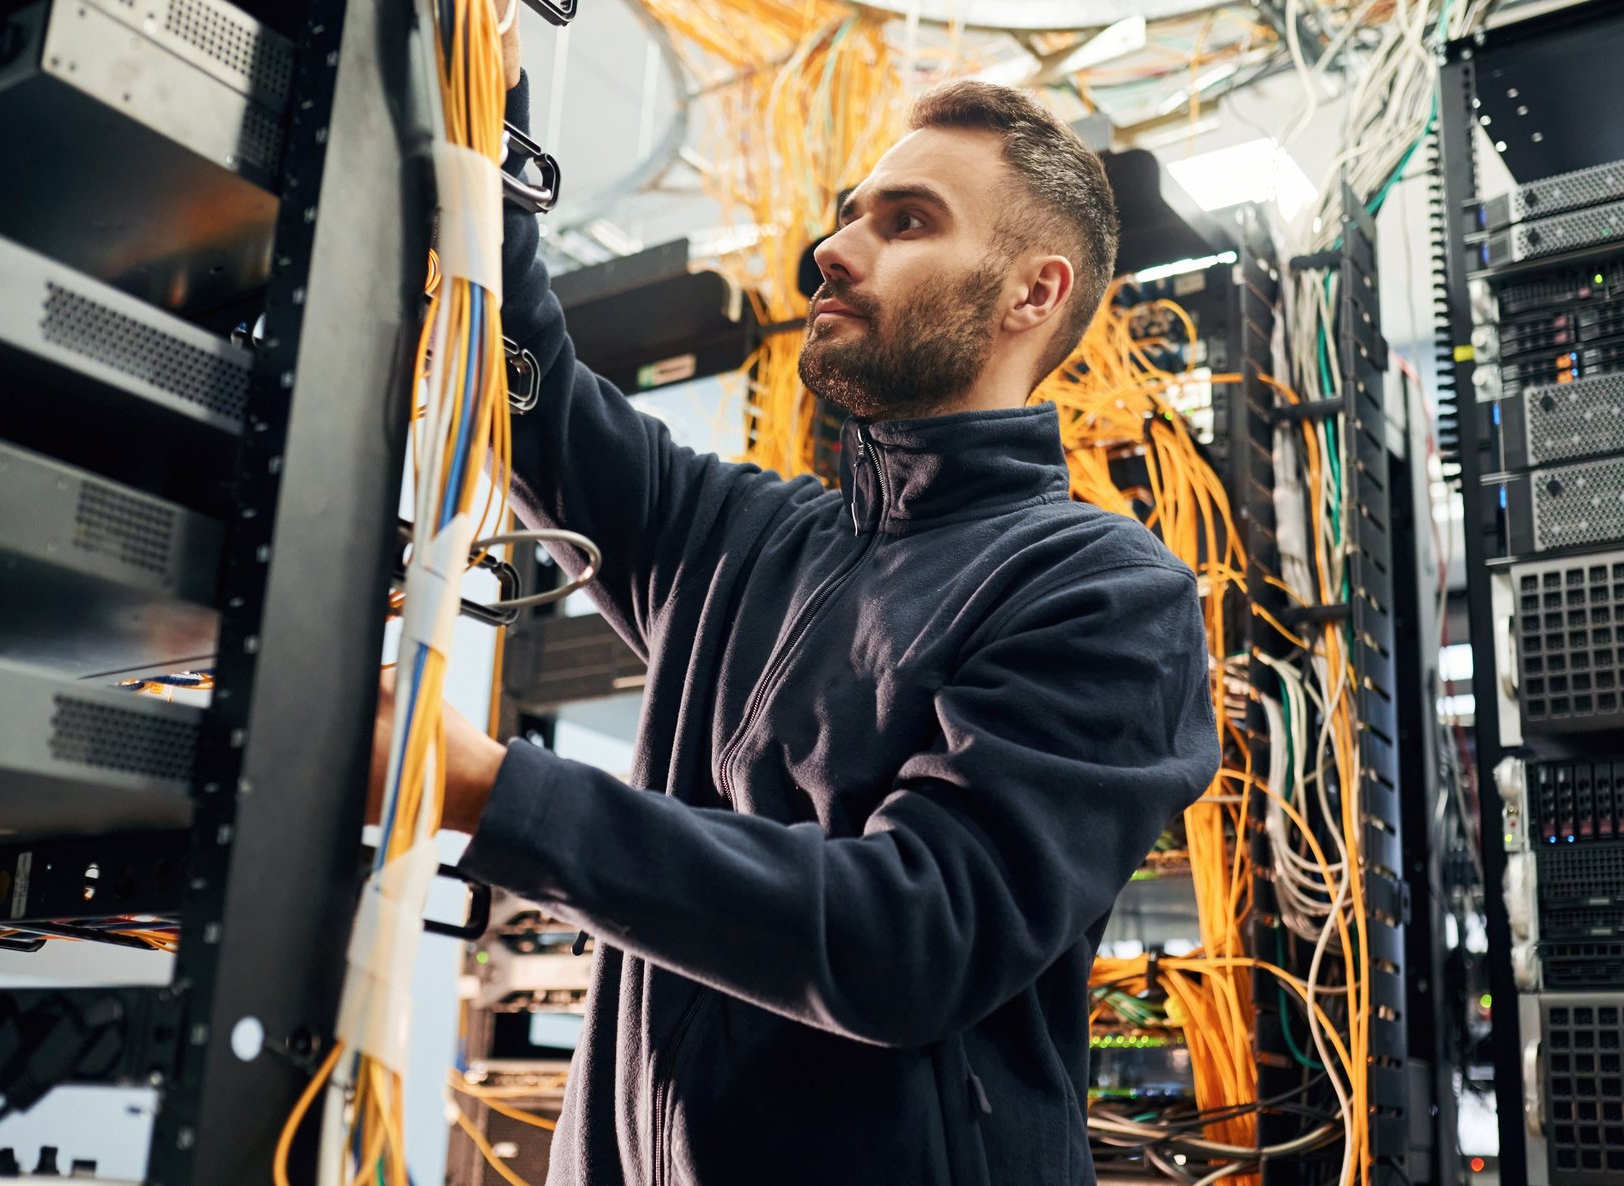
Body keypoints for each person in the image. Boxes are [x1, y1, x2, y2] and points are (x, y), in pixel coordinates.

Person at [372, 7, 1218, 1182]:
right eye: (848, 216)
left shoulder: (1104, 591)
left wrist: (489, 788)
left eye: (907, 221)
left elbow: (913, 936)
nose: (834, 248)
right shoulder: (741, 534)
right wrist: (485, 101)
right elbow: (518, 379)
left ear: (1034, 293)